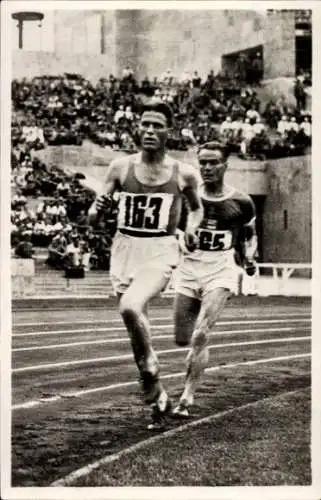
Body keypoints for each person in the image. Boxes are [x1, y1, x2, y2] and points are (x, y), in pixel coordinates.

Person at [88, 100, 203, 429]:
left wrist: (191, 230)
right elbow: (94, 219)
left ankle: (152, 369)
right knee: (136, 330)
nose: (149, 131)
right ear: (137, 128)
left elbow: (195, 209)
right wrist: (97, 208)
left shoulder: (184, 173)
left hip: (160, 249)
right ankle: (158, 398)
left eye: (157, 125)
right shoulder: (120, 168)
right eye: (144, 124)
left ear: (169, 131)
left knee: (130, 306)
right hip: (124, 249)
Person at [172, 141, 257, 418]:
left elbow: (249, 235)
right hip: (188, 268)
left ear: (225, 165)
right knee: (183, 337)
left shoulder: (242, 201)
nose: (207, 168)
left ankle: (187, 396)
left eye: (213, 163)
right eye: (203, 162)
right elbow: (171, 228)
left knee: (201, 333)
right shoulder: (188, 197)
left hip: (220, 267)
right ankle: (193, 360)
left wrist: (250, 257)